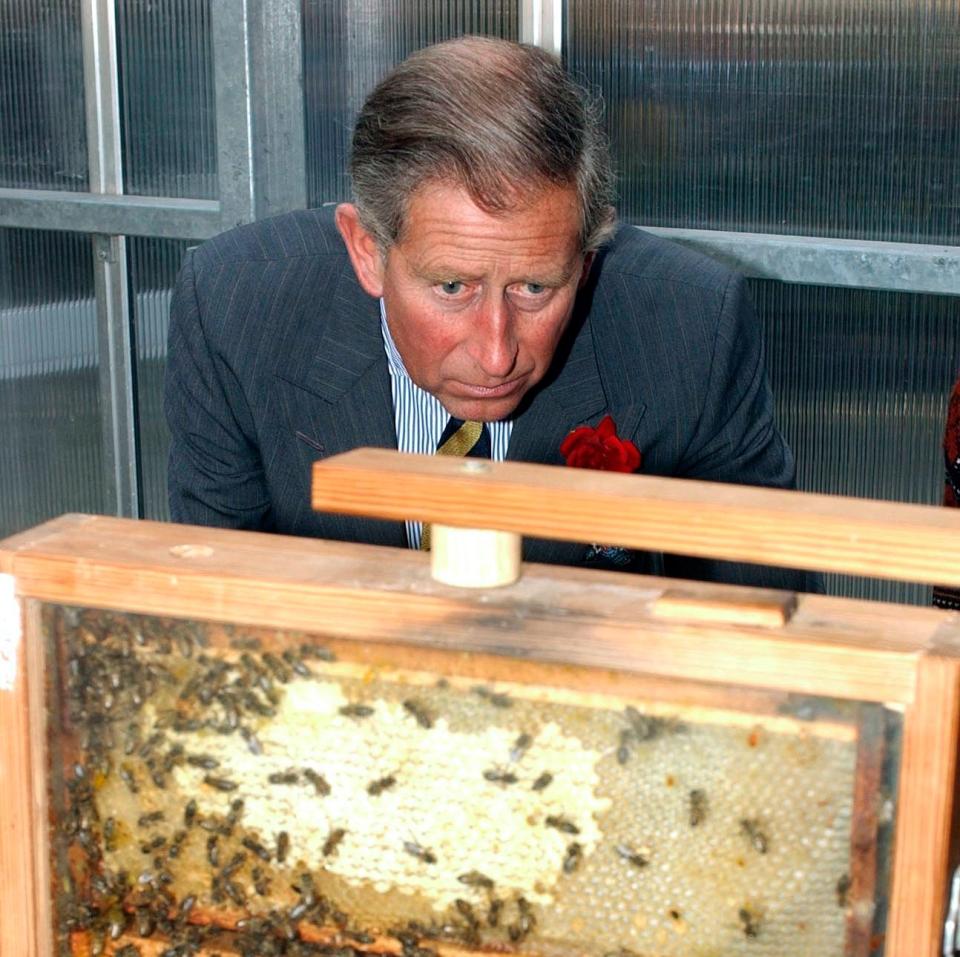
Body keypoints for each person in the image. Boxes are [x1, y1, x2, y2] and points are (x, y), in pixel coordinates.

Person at [165, 36, 811, 590]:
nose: (498, 352)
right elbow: (219, 611)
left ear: (584, 263)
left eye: (535, 288)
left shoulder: (688, 325)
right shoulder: (235, 310)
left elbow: (759, 616)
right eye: (452, 286)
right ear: (367, 251)